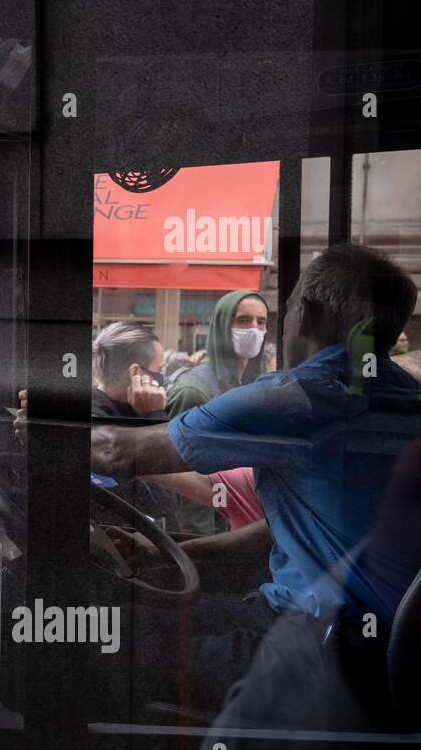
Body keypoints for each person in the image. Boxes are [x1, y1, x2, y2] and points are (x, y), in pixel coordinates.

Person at [91, 244, 421, 711]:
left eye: (278, 313)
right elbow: (282, 535)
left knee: (91, 631)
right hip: (378, 657)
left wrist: (40, 427)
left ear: (304, 314)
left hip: (317, 653)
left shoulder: (298, 398)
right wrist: (158, 554)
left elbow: (116, 452)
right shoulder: (408, 401)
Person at [166, 290, 268, 418]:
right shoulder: (193, 392)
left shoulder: (249, 385)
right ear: (222, 326)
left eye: (261, 322)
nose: (254, 329)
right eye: (243, 320)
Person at [90, 321, 167, 419]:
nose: (162, 375)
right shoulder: (98, 419)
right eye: (160, 369)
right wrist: (155, 413)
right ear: (135, 372)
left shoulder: (132, 405)